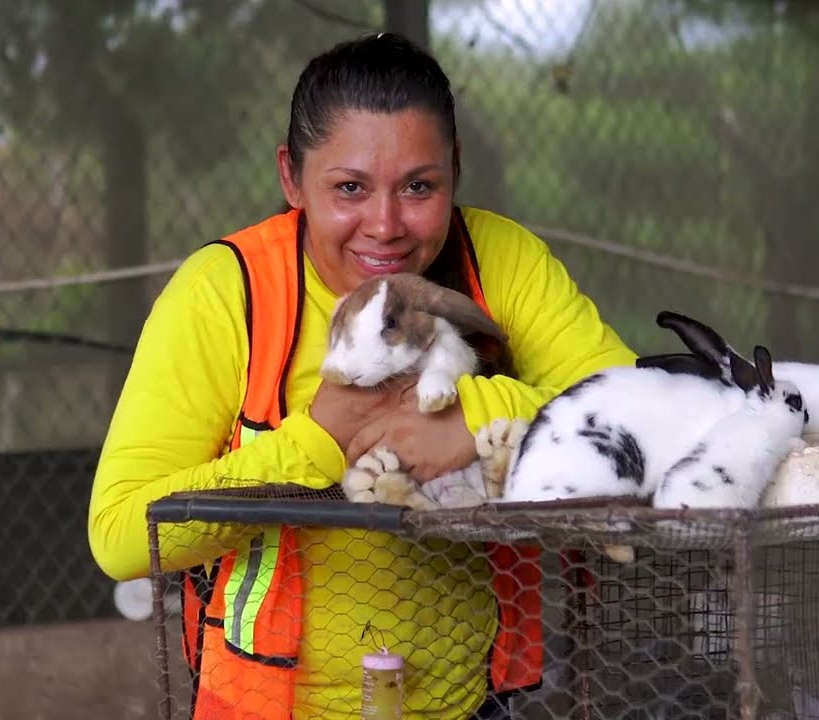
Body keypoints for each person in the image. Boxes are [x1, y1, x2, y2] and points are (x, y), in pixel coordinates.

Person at [88, 31, 637, 720]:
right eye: (349, 188)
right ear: (292, 177)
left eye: (419, 187)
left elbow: (638, 416)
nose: (385, 226)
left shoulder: (499, 259)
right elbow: (118, 534)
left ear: (455, 171)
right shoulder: (227, 292)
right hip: (269, 707)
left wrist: (480, 414)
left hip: (480, 702)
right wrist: (317, 440)